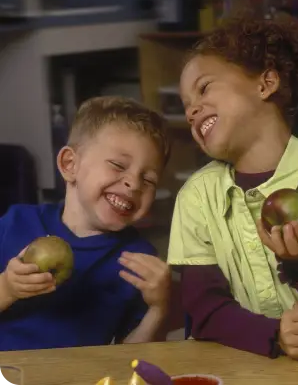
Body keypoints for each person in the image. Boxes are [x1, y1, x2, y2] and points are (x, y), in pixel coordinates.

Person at [167, 13, 298, 360]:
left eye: (205, 87)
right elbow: (204, 310)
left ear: (265, 83)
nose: (193, 110)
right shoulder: (196, 197)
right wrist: (275, 335)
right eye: (185, 107)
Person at [0, 96, 172, 351]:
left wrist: (159, 309)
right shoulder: (16, 222)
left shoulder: (139, 260)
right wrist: (7, 287)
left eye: (148, 180)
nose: (134, 184)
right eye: (118, 165)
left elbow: (135, 359)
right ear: (70, 165)